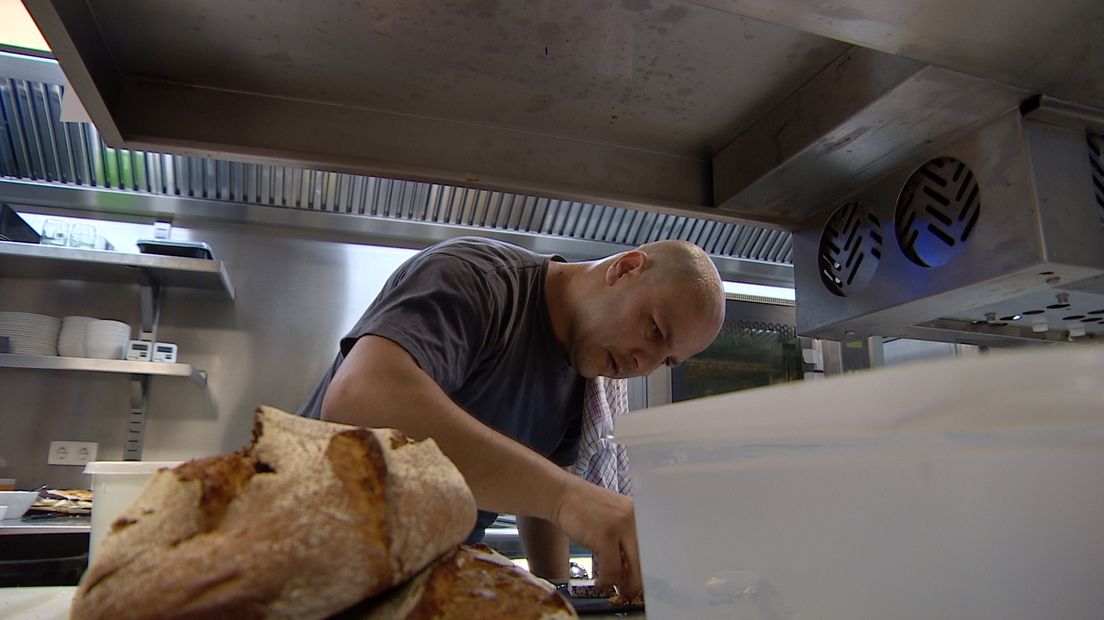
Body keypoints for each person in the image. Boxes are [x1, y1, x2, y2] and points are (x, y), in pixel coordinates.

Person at [299, 235, 725, 599]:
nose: (643, 364)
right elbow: (359, 399)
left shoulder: (584, 374)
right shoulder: (476, 279)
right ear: (625, 269)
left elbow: (538, 503)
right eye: (653, 330)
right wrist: (571, 498)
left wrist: (555, 590)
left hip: (418, 578)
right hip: (308, 548)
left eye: (665, 361)